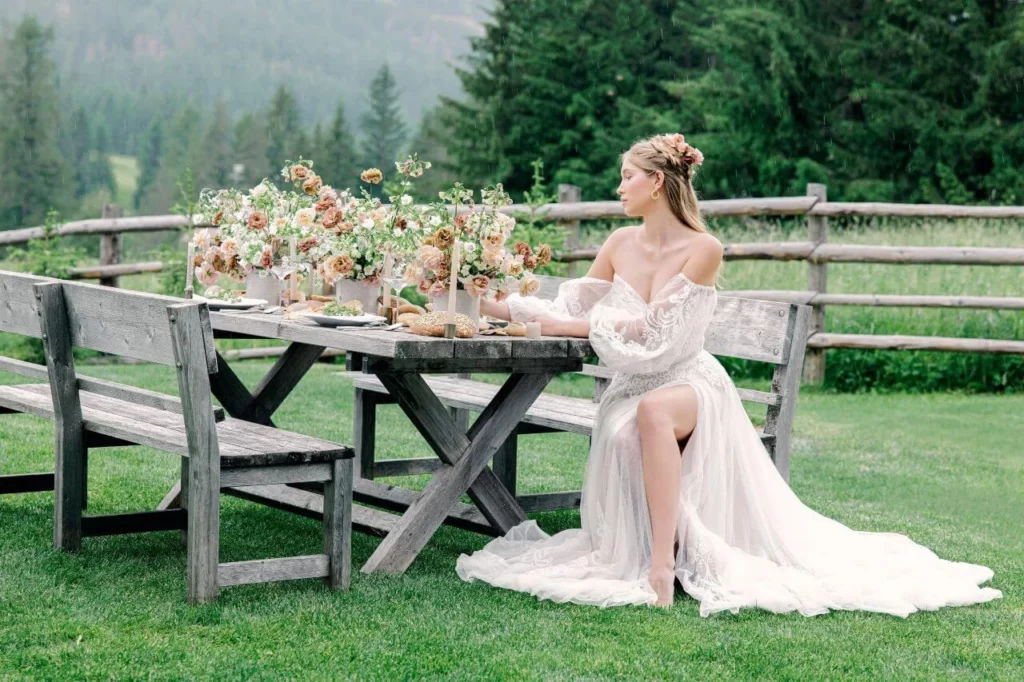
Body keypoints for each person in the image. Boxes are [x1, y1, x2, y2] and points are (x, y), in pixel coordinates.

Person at [458, 133, 1002, 616]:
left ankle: (659, 571)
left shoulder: (704, 249)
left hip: (688, 382)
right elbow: (575, 302)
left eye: (626, 177)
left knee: (650, 413)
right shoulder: (618, 244)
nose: (618, 187)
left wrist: (570, 327)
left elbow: (658, 333)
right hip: (631, 387)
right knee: (627, 432)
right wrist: (490, 303)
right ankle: (661, 548)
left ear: (657, 182)